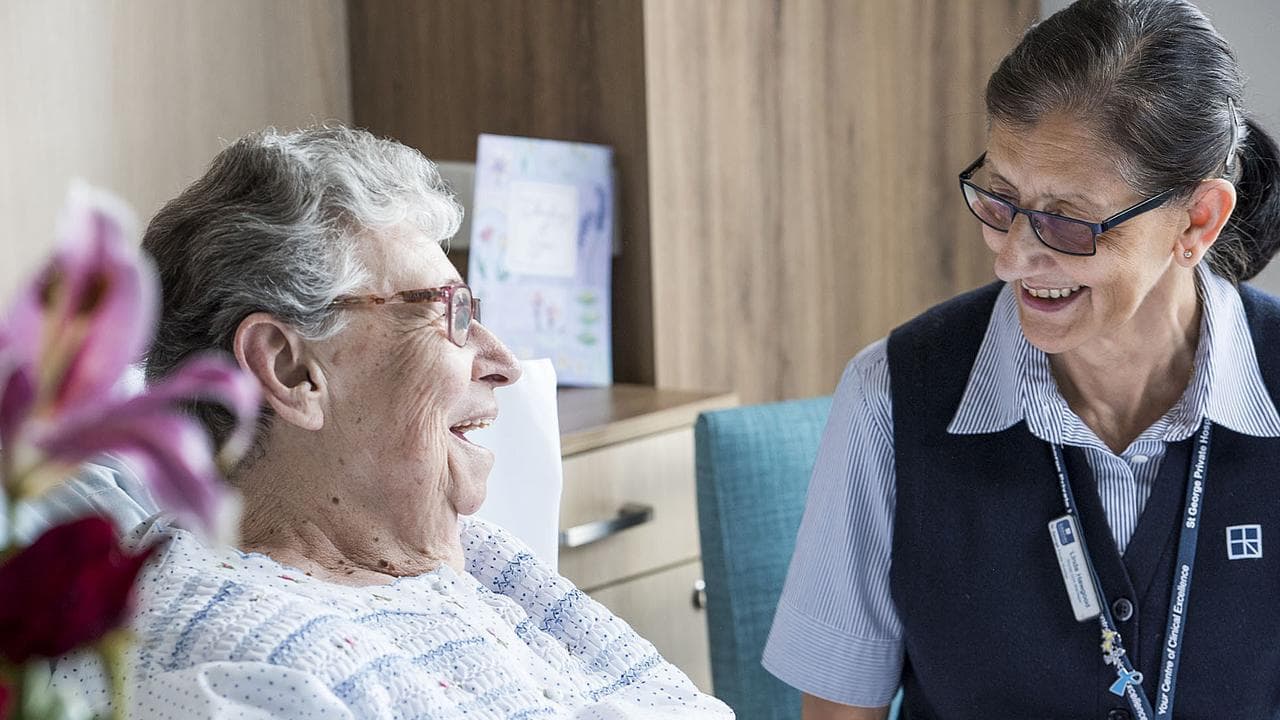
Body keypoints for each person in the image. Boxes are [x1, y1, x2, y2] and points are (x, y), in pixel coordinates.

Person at [53, 126, 732, 719]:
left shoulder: (475, 559)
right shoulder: (222, 656)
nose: (501, 362)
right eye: (453, 314)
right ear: (290, 371)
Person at [762, 1, 1280, 718]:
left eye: (1068, 220)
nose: (1011, 258)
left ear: (1198, 220)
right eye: (1001, 199)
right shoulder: (890, 395)